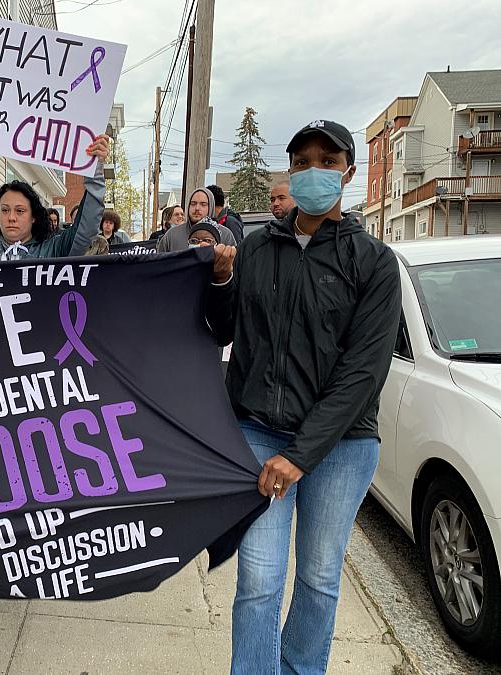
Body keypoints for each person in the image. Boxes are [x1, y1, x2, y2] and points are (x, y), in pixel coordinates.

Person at [204, 120, 402, 674]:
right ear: (290, 170)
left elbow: (363, 373)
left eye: (328, 161)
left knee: (318, 578)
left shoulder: (374, 263)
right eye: (302, 160)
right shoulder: (259, 248)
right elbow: (223, 332)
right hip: (258, 430)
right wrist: (220, 282)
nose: (314, 170)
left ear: (349, 173)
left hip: (341, 446)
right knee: (259, 580)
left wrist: (298, 456)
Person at [156, 187, 236, 252]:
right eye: (193, 204)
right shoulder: (171, 235)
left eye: (203, 204)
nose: (197, 208)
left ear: (210, 207)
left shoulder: (225, 235)